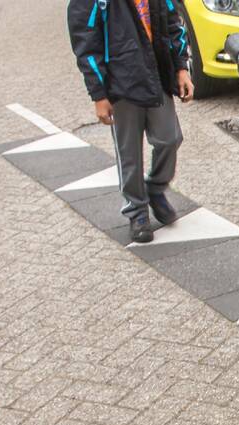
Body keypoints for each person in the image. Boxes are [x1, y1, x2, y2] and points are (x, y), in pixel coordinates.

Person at [68, 0, 194, 244]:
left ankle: (155, 188)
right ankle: (137, 212)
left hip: (155, 76)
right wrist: (99, 94)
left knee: (170, 138)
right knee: (129, 154)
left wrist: (181, 68)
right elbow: (85, 41)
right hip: (120, 84)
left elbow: (172, 21)